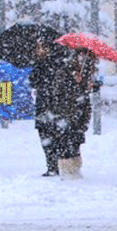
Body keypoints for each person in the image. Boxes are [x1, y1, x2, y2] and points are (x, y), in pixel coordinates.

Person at [47, 47, 97, 178]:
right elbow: (57, 94)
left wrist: (86, 86)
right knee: (65, 142)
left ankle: (75, 169)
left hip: (80, 114)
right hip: (65, 114)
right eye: (80, 57)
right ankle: (66, 171)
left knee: (76, 142)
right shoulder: (64, 72)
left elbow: (84, 97)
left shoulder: (86, 74)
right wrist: (73, 83)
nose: (82, 60)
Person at [29, 37, 72, 176]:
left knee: (57, 136)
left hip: (56, 105)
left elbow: (61, 82)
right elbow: (33, 81)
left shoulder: (57, 63)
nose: (40, 50)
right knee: (44, 135)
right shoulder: (38, 64)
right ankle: (51, 166)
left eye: (43, 47)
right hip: (42, 105)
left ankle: (59, 165)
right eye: (38, 48)